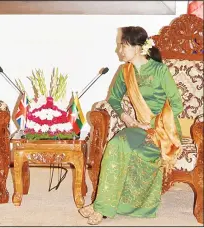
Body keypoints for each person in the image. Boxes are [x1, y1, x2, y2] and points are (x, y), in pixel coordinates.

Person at [78, 26, 183, 225]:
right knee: (117, 145)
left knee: (121, 145)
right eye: (120, 45)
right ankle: (103, 206)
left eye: (123, 45)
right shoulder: (125, 71)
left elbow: (177, 105)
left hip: (164, 130)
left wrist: (152, 123)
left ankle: (100, 208)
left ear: (137, 47)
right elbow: (114, 99)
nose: (119, 50)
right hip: (139, 128)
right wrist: (126, 117)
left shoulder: (159, 70)